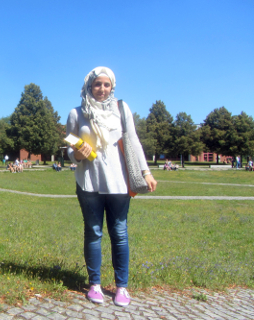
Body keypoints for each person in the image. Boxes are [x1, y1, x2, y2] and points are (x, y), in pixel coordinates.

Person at [66, 67, 157, 307]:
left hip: (119, 182)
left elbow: (133, 141)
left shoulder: (121, 109)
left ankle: (121, 288)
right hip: (89, 182)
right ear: (89, 86)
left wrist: (146, 172)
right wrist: (77, 152)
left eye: (106, 85)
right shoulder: (76, 113)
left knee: (119, 232)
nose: (102, 89)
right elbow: (69, 148)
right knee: (94, 232)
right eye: (97, 84)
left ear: (112, 86)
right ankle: (94, 284)